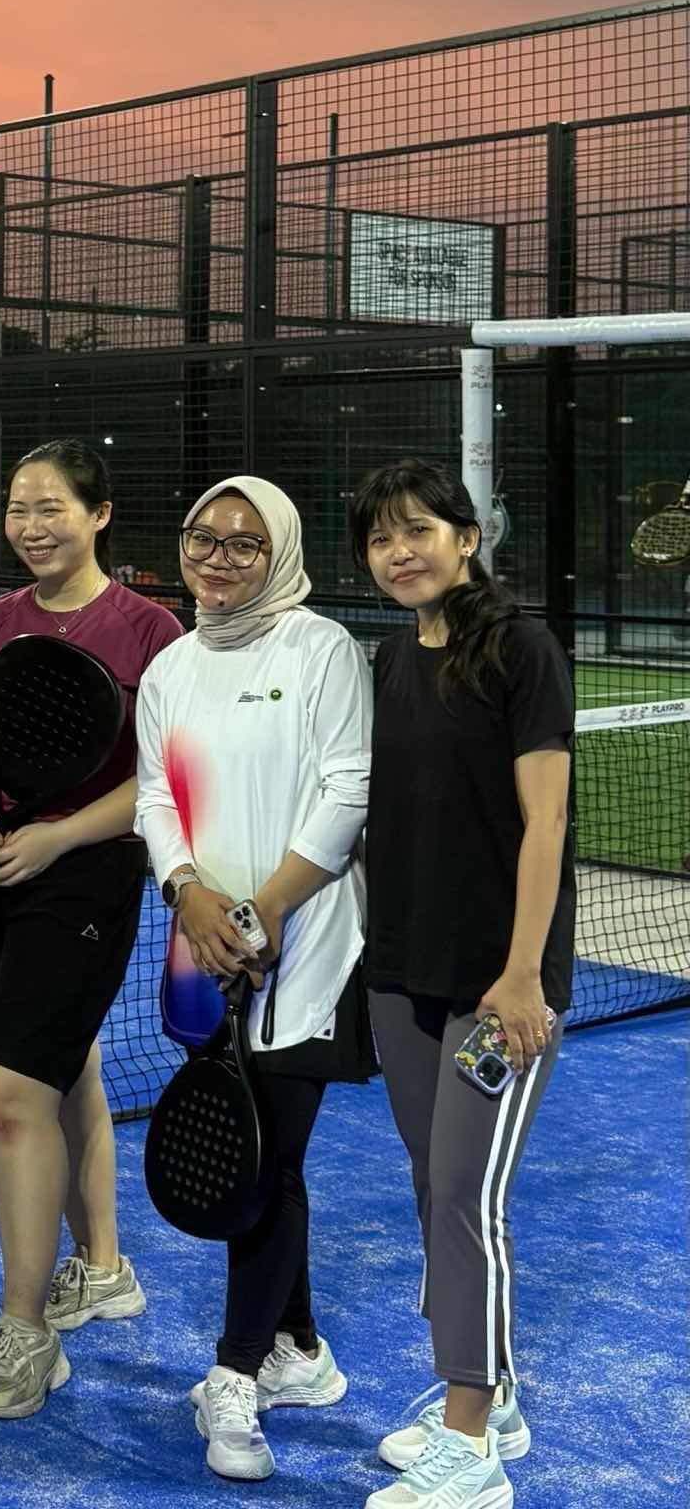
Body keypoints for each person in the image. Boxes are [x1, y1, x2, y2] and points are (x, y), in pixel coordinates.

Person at [135, 475, 373, 1485]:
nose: (219, 559)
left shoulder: (321, 649)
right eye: (204, 538)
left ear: (278, 553)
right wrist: (189, 893)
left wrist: (266, 909)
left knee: (265, 1162)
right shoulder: (170, 667)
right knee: (265, 1152)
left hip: (309, 946)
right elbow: (157, 794)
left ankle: (234, 1374)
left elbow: (349, 786)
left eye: (244, 544)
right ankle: (300, 1350)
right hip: (204, 946)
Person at [349, 460, 573, 1509]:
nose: (400, 553)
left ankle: (473, 1446)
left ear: (467, 537)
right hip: (402, 973)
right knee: (434, 1190)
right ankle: (495, 1398)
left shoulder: (524, 650)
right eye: (380, 538)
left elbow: (546, 821)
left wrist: (523, 974)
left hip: (498, 986)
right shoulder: (391, 659)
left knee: (463, 1198)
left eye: (419, 531)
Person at [0, 442, 183, 1418]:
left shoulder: (153, 630)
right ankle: (104, 1266)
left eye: (52, 508)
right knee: (54, 1067)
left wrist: (58, 836)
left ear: (99, 515)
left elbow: (164, 775)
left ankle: (25, 1330)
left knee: (9, 1094)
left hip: (86, 872)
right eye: (18, 508)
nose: (32, 526)